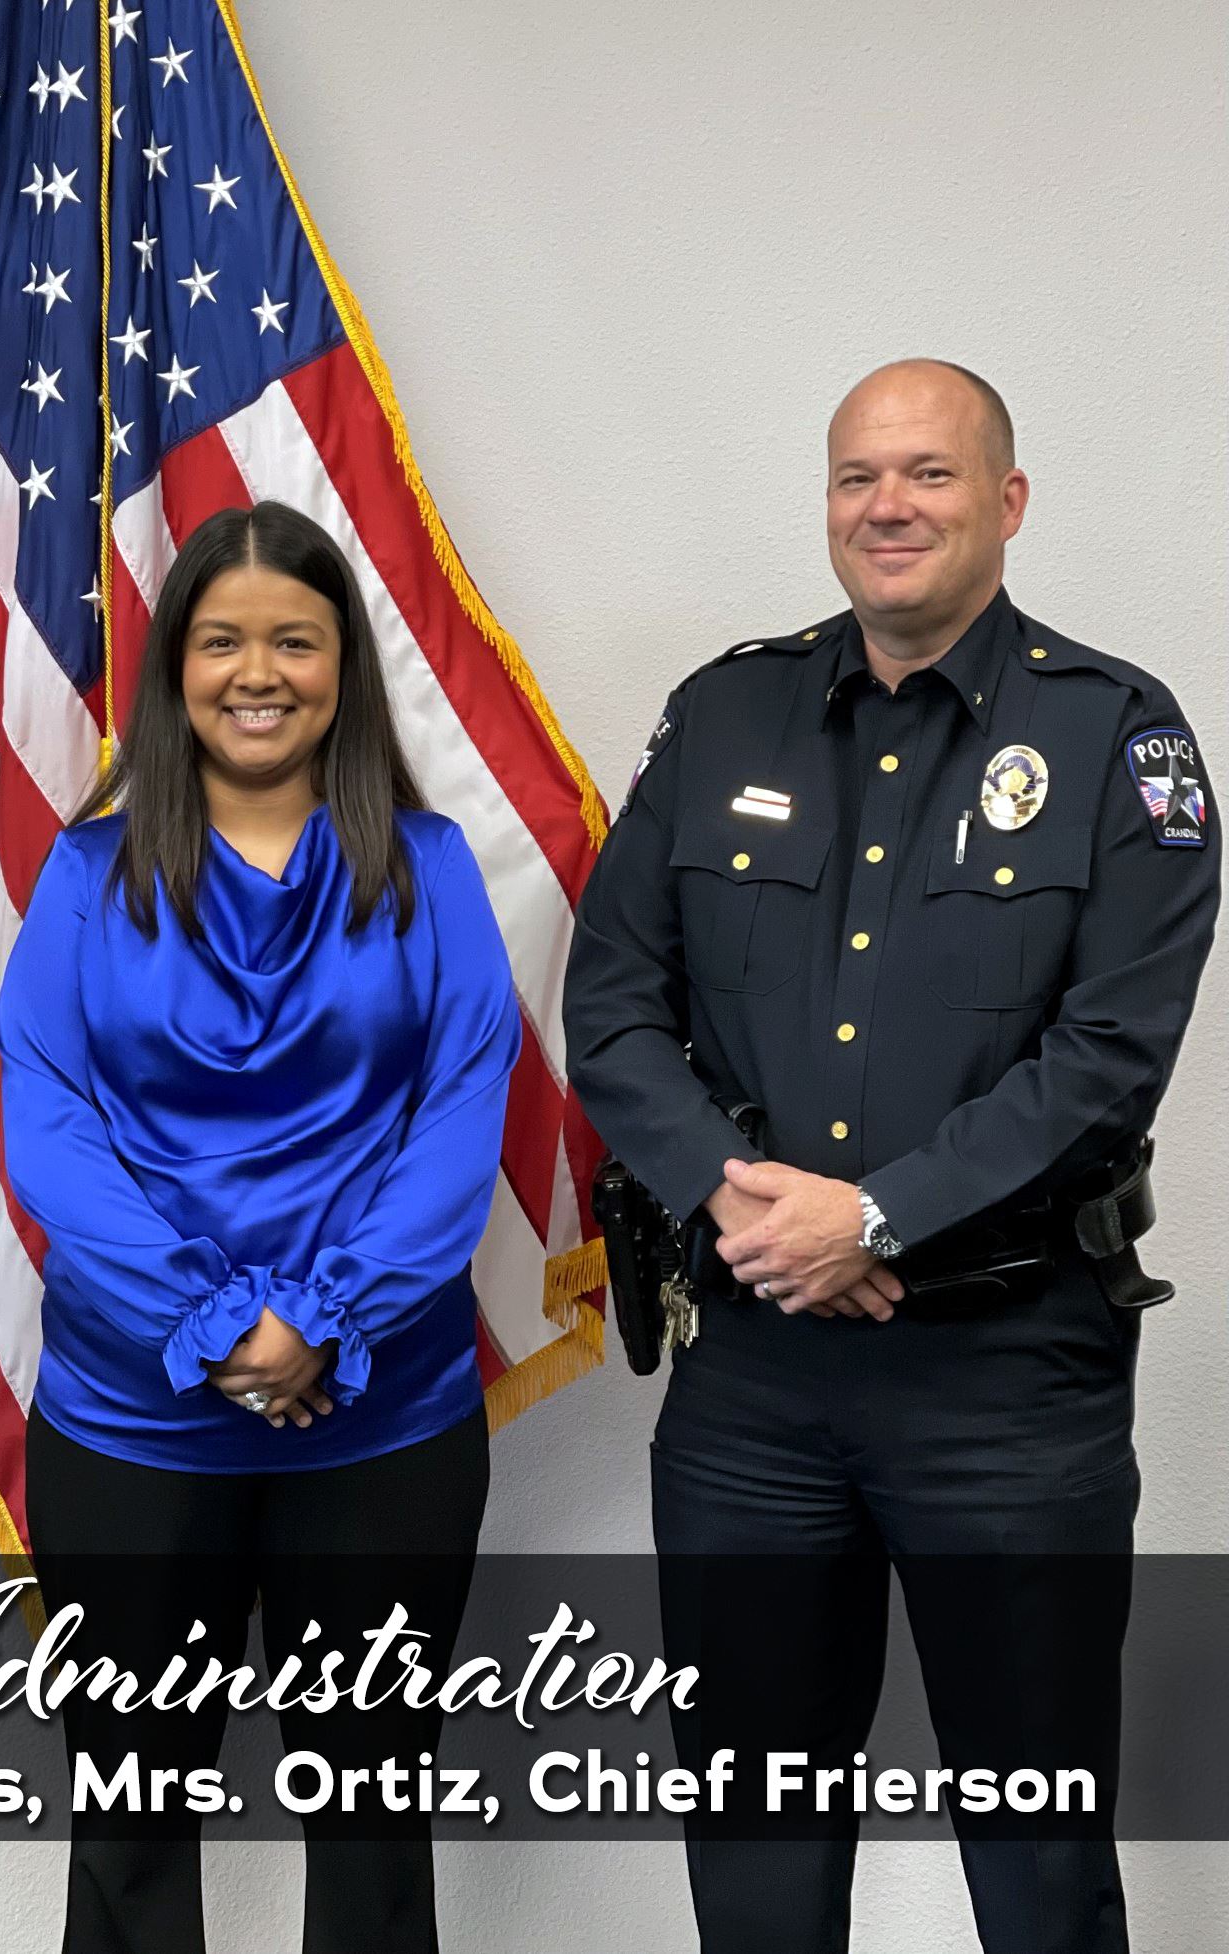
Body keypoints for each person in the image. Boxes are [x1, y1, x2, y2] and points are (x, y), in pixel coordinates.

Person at [565, 360, 1219, 1954]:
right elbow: (612, 1007)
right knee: (757, 1841)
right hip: (755, 1392)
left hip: (1008, 1388)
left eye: (929, 474)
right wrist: (743, 1199)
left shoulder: (1119, 740)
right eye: (860, 476)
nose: (889, 506)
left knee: (1039, 1857)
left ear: (1006, 502)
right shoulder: (723, 715)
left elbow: (1109, 1054)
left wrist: (878, 1211)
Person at [0, 500, 520, 1954]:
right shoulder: (87, 879)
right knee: (131, 1818)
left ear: (345, 662)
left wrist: (324, 1317)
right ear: (173, 667)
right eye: (221, 638)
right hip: (131, 1422)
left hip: (384, 1421)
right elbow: (49, 1119)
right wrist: (224, 1321)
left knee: (370, 1810)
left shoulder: (433, 868)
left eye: (295, 636)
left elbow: (459, 1121)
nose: (257, 668)